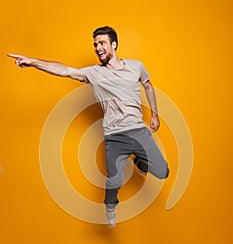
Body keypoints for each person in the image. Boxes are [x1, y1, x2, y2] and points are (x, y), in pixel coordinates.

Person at [8, 26, 169, 228]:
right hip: (114, 136)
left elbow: (148, 85)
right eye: (95, 44)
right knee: (114, 181)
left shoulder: (136, 67)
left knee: (163, 171)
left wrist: (154, 114)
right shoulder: (94, 73)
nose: (97, 48)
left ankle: (140, 162)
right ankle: (110, 206)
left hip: (138, 131)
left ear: (114, 45)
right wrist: (33, 62)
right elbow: (65, 70)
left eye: (102, 43)